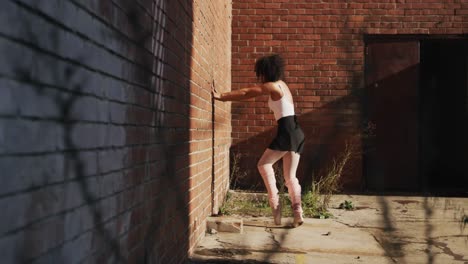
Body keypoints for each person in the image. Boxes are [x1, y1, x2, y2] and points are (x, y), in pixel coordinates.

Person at [212, 54, 305, 227]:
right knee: (290, 177)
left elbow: (246, 92)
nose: (259, 77)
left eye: (260, 73)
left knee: (263, 165)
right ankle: (298, 212)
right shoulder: (283, 85)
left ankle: (276, 207)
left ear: (266, 72)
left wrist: (222, 96)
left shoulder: (272, 86)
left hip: (286, 131)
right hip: (297, 132)